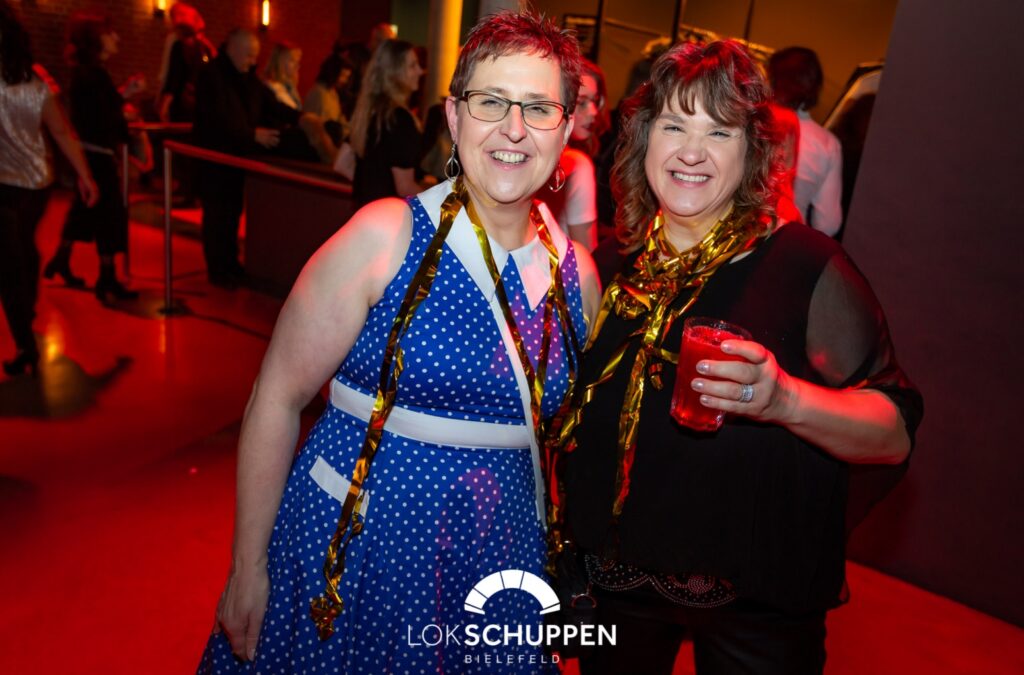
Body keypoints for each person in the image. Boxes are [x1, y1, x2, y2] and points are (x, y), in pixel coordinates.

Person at [197, 11, 600, 672]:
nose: (514, 128)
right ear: (454, 116)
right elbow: (276, 396)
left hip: (497, 564)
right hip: (359, 555)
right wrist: (249, 565)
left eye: (538, 107)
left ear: (565, 125)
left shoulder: (576, 276)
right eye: (491, 101)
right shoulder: (384, 236)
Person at [560, 41, 922, 674]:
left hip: (753, 599)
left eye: (719, 131)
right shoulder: (613, 270)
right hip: (616, 582)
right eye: (674, 126)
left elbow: (892, 436)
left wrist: (784, 399)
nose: (691, 151)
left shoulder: (804, 266)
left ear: (752, 151)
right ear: (644, 139)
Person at [0, 0, 98, 377]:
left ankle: (25, 339)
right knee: (21, 250)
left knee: (12, 261)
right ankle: (25, 321)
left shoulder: (35, 81)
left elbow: (61, 131)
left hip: (13, 184)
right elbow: (61, 132)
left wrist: (85, 176)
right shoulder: (37, 79)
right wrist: (85, 176)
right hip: (34, 182)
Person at [192, 28, 307, 288]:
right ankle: (218, 270)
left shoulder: (248, 80)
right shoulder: (212, 77)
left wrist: (301, 119)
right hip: (214, 161)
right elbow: (217, 120)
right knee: (217, 215)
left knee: (232, 214)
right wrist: (251, 134)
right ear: (233, 49)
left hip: (235, 159)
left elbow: (271, 105)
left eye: (255, 55)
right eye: (249, 55)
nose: (253, 60)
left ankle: (231, 264)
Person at [42, 9, 142, 303]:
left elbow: (100, 108)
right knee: (108, 213)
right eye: (110, 33)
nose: (116, 37)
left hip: (91, 153)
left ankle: (62, 260)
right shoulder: (91, 74)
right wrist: (125, 101)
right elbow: (100, 115)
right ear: (96, 38)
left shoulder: (88, 72)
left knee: (86, 209)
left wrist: (123, 97)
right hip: (96, 154)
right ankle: (106, 278)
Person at [768, 46, 843, 237]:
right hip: (786, 240)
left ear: (774, 80)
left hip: (734, 236)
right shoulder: (827, 144)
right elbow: (828, 224)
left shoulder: (752, 121)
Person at [349, 39, 429, 207]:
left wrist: (372, 184)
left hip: (365, 211)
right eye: (412, 66)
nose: (420, 71)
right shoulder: (399, 118)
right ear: (394, 73)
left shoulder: (369, 111)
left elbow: (342, 164)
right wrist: (441, 204)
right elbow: (404, 187)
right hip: (389, 215)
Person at [541, 58, 609, 251]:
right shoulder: (577, 164)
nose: (594, 112)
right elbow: (587, 251)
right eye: (581, 102)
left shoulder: (531, 158)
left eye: (595, 101)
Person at [158, 3, 215, 123]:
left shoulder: (179, 45)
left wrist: (164, 103)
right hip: (201, 106)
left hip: (186, 104)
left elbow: (173, 77)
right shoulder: (205, 46)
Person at [303, 52, 352, 144]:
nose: (344, 81)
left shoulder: (332, 92)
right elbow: (320, 130)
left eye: (347, 77)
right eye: (342, 76)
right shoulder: (319, 93)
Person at [262, 40, 302, 110]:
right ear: (280, 60)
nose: (297, 66)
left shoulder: (289, 86)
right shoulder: (272, 86)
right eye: (292, 60)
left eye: (297, 61)